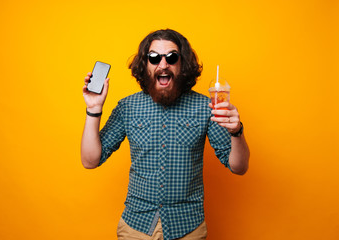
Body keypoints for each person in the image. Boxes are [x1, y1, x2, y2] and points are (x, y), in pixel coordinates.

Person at [81, 29, 250, 240]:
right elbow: (90, 160)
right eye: (154, 58)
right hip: (136, 226)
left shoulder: (205, 107)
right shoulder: (128, 107)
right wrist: (94, 109)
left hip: (188, 227)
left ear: (182, 64)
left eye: (171, 57)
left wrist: (236, 131)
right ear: (145, 65)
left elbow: (238, 166)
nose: (163, 65)